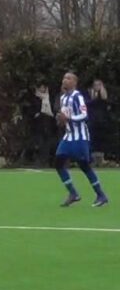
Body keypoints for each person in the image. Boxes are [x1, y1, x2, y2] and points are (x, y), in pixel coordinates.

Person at [54, 72, 108, 207]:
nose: (64, 80)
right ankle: (73, 193)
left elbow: (84, 116)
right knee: (58, 163)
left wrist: (69, 119)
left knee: (84, 166)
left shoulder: (77, 96)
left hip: (80, 137)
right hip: (68, 137)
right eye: (64, 78)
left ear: (74, 82)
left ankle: (101, 195)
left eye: (68, 78)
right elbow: (65, 118)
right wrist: (60, 121)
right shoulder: (63, 98)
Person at [87, 79, 114, 163]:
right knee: (92, 138)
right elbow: (87, 103)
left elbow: (107, 104)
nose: (97, 86)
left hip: (102, 120)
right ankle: (91, 158)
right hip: (91, 120)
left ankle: (102, 158)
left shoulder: (104, 95)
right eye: (95, 85)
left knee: (101, 139)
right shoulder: (89, 93)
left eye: (99, 85)